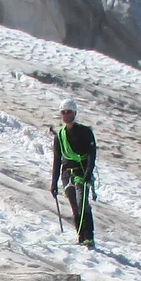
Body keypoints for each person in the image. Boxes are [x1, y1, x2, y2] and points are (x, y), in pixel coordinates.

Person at [50, 98, 97, 248]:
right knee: (75, 206)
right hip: (67, 174)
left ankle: (89, 237)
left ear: (74, 113)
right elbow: (57, 160)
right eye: (63, 112)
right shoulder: (60, 136)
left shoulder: (85, 132)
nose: (66, 115)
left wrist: (88, 173)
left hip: (81, 172)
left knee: (82, 204)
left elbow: (91, 154)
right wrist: (54, 183)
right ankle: (80, 236)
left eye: (68, 112)